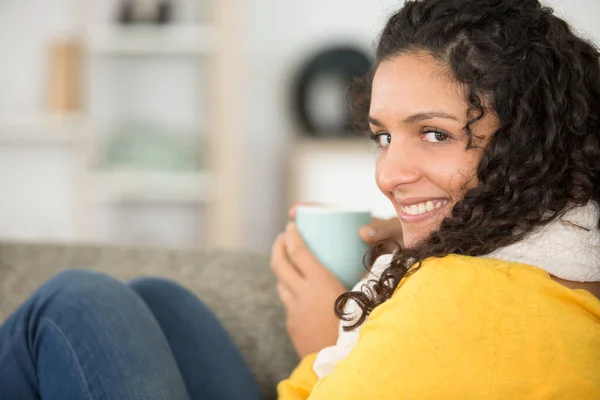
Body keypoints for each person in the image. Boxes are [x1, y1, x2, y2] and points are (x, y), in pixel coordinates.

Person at [1, 0, 599, 398]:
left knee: (74, 302)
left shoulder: (465, 301)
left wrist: (328, 335)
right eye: (384, 137)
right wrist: (439, 231)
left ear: (533, 141)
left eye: (435, 133)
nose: (389, 173)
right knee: (162, 301)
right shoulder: (560, 275)